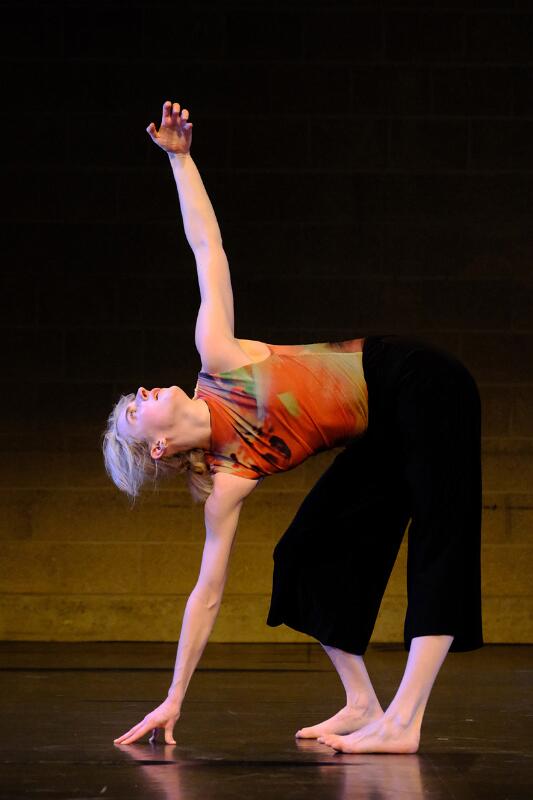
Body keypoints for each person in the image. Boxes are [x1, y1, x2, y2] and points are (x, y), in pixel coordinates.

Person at [105, 101, 484, 754]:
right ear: (158, 447)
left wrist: (180, 159)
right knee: (305, 553)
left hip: (412, 377)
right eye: (136, 411)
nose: (142, 392)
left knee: (438, 532)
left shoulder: (217, 356)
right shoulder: (228, 478)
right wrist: (174, 696)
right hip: (382, 428)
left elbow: (206, 248)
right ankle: (362, 702)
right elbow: (206, 594)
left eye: (134, 396)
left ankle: (403, 722)